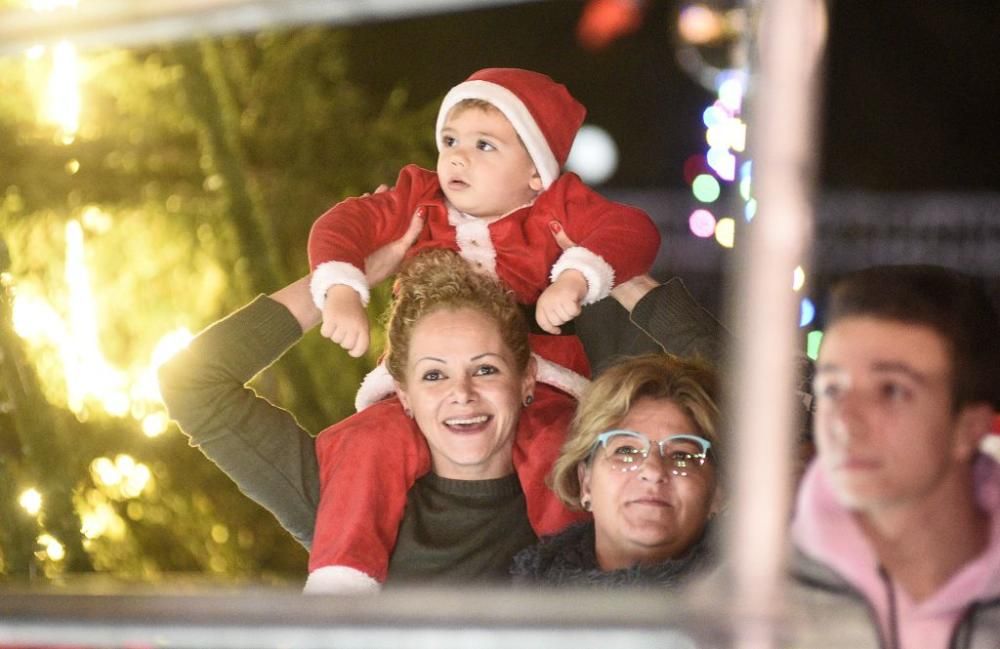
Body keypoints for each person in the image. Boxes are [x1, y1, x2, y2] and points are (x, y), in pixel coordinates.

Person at [158, 226, 727, 586]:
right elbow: (193, 384)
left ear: (528, 378)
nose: (463, 393)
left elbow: (767, 400)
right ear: (401, 392)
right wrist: (337, 281)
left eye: (486, 369)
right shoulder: (344, 494)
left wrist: (615, 268)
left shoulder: (592, 478)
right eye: (434, 375)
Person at [788, 265, 1000, 648]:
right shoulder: (749, 604)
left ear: (969, 428)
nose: (845, 423)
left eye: (891, 391)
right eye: (833, 389)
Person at [511, 354, 723, 588]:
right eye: (626, 451)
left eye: (681, 456)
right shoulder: (526, 608)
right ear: (586, 483)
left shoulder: (758, 606)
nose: (652, 470)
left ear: (718, 492)